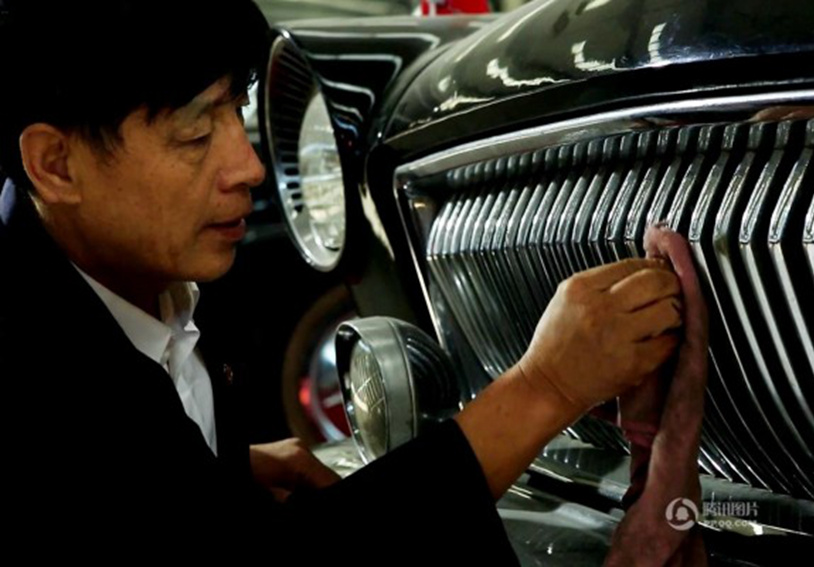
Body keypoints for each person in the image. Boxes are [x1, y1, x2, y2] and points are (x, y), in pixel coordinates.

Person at [0, 0, 689, 561]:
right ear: (55, 165)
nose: (249, 167)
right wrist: (547, 387)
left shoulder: (144, 278)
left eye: (236, 111)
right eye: (193, 136)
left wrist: (221, 473)